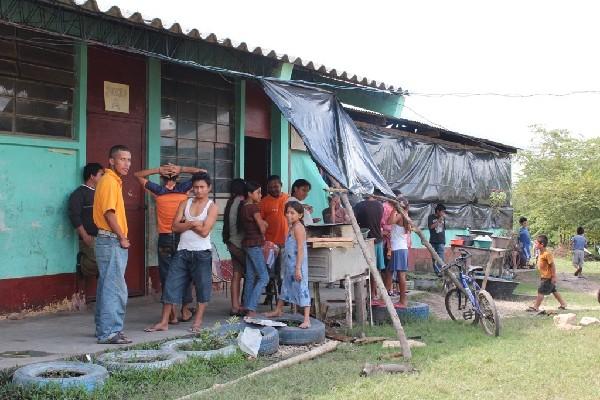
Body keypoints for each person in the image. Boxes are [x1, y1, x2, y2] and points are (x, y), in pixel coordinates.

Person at [145, 173, 218, 333]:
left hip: (202, 253)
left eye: (202, 187)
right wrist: (193, 223)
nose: (198, 190)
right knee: (171, 284)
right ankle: (164, 322)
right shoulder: (185, 203)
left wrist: (186, 223)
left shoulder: (212, 207)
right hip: (182, 251)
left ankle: (197, 323)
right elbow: (174, 227)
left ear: (209, 188)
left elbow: (205, 232)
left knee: (202, 287)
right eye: (196, 187)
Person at [134, 163, 205, 324]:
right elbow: (202, 172)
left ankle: (172, 313)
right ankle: (185, 310)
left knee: (167, 275)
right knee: (186, 273)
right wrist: (182, 168)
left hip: (165, 238)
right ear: (177, 177)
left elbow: (137, 175)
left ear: (161, 177)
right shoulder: (184, 189)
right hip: (183, 236)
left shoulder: (158, 191)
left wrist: (157, 170)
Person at [93, 145, 132, 344]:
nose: (127, 164)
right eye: (122, 159)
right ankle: (109, 332)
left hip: (107, 240)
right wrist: (122, 237)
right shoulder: (109, 181)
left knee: (106, 286)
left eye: (129, 160)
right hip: (111, 239)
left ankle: (104, 329)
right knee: (115, 288)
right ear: (111, 161)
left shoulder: (113, 181)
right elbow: (109, 213)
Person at [265, 201, 311, 328]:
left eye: (292, 213)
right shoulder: (291, 227)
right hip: (289, 264)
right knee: (285, 286)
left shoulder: (298, 228)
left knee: (302, 288)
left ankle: (307, 319)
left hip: (298, 265)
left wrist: (297, 269)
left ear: (300, 215)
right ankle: (278, 310)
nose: (289, 215)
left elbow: (301, 249)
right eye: (287, 212)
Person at [68, 162, 104, 278]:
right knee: (95, 262)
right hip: (89, 236)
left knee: (105, 265)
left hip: (103, 236)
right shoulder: (78, 194)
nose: (103, 178)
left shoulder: (100, 193)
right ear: (92, 176)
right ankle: (82, 263)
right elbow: (74, 216)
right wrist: (84, 236)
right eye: (101, 175)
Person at [241, 181, 269, 317]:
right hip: (255, 245)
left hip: (246, 244)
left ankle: (246, 306)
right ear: (249, 194)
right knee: (264, 277)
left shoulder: (243, 207)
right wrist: (265, 223)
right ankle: (251, 307)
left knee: (251, 277)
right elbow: (262, 227)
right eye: (258, 192)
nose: (260, 195)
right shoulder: (253, 208)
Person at [260, 175, 289, 304]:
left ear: (281, 185)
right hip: (270, 244)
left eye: (276, 186)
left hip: (286, 242)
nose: (274, 189)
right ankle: (269, 296)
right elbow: (260, 222)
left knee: (283, 273)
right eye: (271, 187)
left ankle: (282, 299)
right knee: (270, 272)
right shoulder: (264, 202)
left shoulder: (288, 199)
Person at [223, 178, 247, 315]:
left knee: (236, 274)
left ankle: (235, 306)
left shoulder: (230, 202)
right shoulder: (243, 202)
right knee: (252, 273)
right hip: (240, 245)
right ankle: (245, 305)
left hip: (231, 242)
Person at [354, 193, 385, 298]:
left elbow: (353, 221)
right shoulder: (380, 206)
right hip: (378, 239)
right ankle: (374, 293)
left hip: (365, 240)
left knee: (363, 269)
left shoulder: (359, 205)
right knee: (375, 269)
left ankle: (366, 294)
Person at [527, 235, 567, 312]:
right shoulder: (541, 253)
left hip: (547, 277)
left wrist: (554, 276)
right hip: (544, 276)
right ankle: (563, 304)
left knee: (541, 291)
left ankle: (536, 307)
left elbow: (552, 265)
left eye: (536, 243)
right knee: (554, 290)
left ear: (541, 245)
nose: (535, 245)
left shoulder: (547, 254)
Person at [385, 197, 411, 305]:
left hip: (398, 248)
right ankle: (386, 296)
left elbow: (389, 221)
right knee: (390, 272)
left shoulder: (400, 215)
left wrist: (395, 209)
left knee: (400, 275)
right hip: (400, 247)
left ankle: (403, 300)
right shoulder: (405, 215)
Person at [428, 203, 447, 275]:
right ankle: (436, 272)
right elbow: (431, 227)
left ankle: (441, 272)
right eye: (442, 211)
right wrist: (438, 220)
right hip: (433, 240)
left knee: (441, 257)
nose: (443, 213)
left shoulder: (443, 217)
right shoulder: (431, 217)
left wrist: (441, 221)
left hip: (441, 241)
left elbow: (443, 228)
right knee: (434, 258)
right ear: (438, 211)